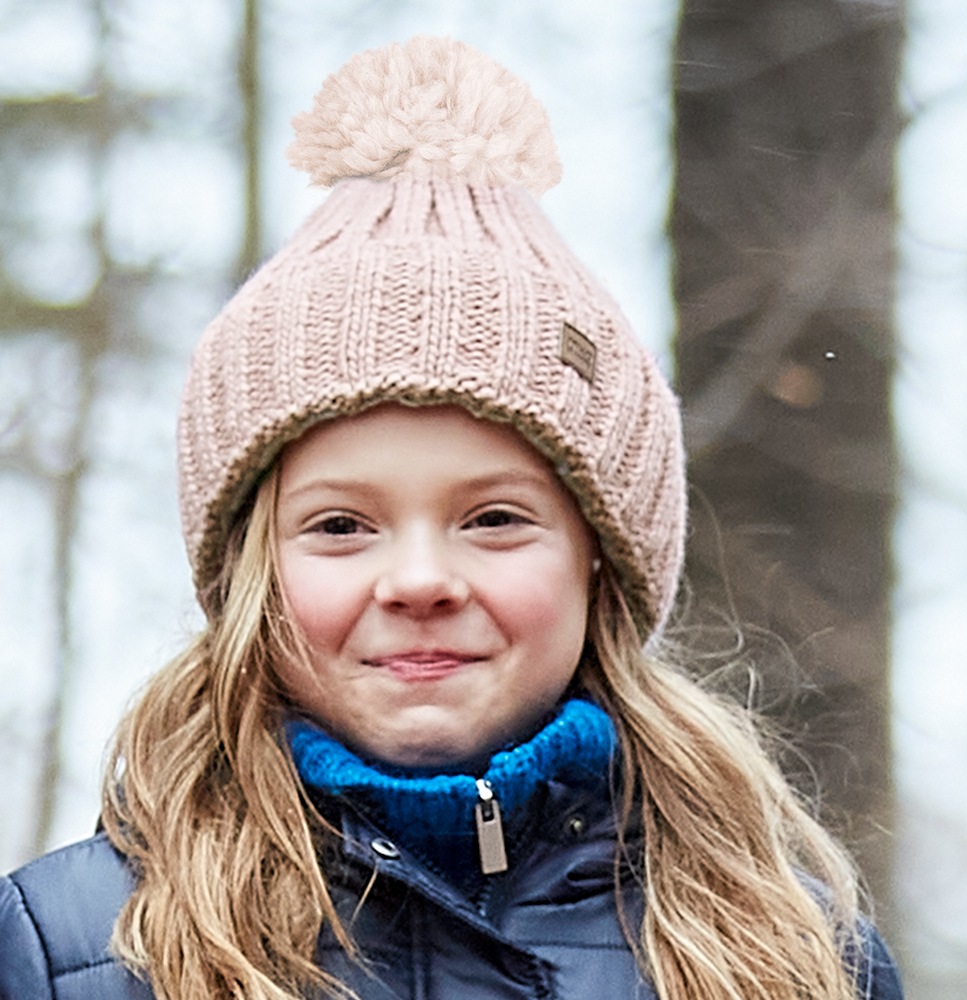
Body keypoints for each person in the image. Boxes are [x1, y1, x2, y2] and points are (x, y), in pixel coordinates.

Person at [0, 36, 904, 1000]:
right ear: (250, 573)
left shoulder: (791, 951)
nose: (421, 580)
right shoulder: (74, 950)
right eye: (342, 526)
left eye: (495, 519)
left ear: (604, 561)